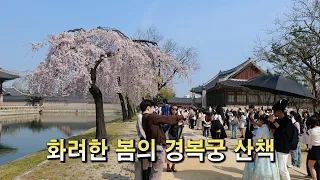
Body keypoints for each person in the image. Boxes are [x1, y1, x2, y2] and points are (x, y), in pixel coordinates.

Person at [140, 99, 187, 180]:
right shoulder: (152, 117)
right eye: (152, 108)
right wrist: (182, 116)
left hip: (150, 146)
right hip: (157, 147)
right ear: (148, 108)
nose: (153, 109)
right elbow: (168, 119)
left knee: (153, 172)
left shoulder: (144, 118)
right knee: (156, 174)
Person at [243, 114, 280, 180]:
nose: (258, 121)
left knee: (260, 165)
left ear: (261, 120)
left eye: (259, 120)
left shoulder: (260, 130)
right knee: (270, 165)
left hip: (261, 148)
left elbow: (255, 141)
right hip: (269, 148)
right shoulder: (268, 129)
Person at [268, 99, 294, 180]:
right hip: (277, 146)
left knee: (282, 168)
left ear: (279, 111)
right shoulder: (278, 120)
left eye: (275, 111)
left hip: (284, 147)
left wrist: (274, 122)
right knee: (277, 168)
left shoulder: (287, 121)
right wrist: (270, 121)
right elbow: (272, 126)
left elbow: (283, 130)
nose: (274, 113)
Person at [165, 104, 183, 173]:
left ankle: (173, 166)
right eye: (173, 109)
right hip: (169, 137)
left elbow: (181, 128)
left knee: (176, 153)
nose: (174, 110)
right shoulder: (168, 117)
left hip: (176, 137)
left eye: (176, 109)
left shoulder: (179, 118)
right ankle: (168, 166)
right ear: (170, 110)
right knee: (168, 152)